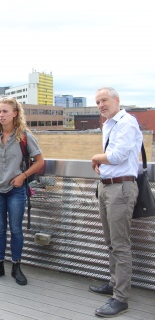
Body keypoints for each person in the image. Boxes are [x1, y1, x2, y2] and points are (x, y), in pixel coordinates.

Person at [90, 87, 142, 318]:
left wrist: (96, 158)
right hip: (108, 186)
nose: (101, 105)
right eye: (98, 101)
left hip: (121, 188)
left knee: (120, 245)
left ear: (116, 100)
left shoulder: (126, 122)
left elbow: (118, 155)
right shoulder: (109, 124)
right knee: (111, 242)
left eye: (104, 100)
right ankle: (114, 284)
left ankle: (121, 299)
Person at [0, 97, 44, 285]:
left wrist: (22, 176)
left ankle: (16, 266)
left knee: (16, 230)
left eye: (5, 111)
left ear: (15, 114)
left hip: (16, 190)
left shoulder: (24, 136)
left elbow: (40, 162)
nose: (1, 115)